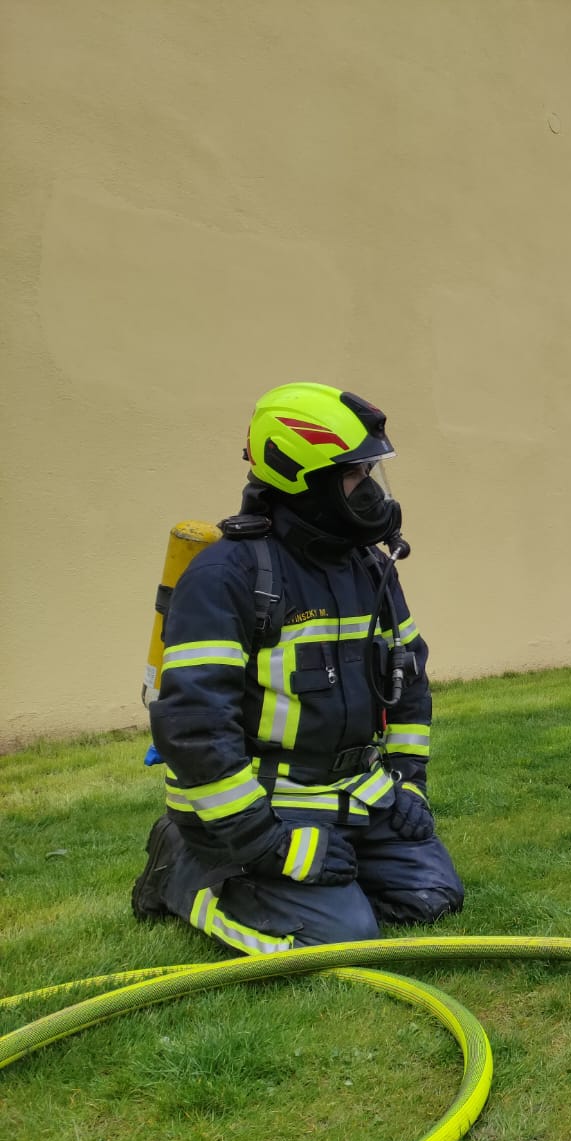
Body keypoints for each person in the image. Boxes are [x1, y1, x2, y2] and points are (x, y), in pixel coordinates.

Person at [131, 382, 464, 952]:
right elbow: (196, 732)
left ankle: (325, 875)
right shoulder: (225, 577)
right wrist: (270, 844)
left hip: (351, 794)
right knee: (341, 936)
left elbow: (409, 679)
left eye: (370, 473)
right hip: (259, 808)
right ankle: (182, 873)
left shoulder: (368, 568)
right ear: (303, 480)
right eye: (354, 476)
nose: (372, 493)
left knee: (432, 897)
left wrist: (409, 783)